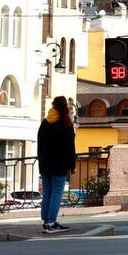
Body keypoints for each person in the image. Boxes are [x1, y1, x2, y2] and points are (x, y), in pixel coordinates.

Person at [37, 96, 76, 234]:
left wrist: (41, 161)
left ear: (53, 106)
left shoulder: (45, 123)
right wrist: (72, 165)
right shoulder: (65, 124)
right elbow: (70, 147)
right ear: (65, 107)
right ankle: (52, 221)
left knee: (47, 192)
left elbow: (40, 145)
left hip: (45, 165)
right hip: (59, 165)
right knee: (56, 192)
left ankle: (46, 221)